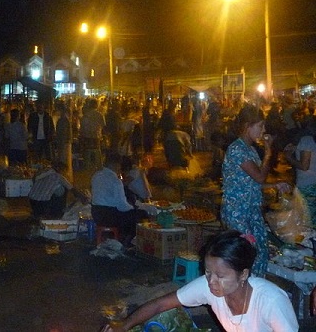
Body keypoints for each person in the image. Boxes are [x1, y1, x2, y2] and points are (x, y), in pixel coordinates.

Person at [103, 230, 298, 332]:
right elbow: (161, 304)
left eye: (220, 276)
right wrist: (124, 325)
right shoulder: (209, 286)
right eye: (207, 272)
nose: (211, 281)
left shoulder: (271, 301)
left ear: (244, 274)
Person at [221, 104, 291, 277]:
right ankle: (241, 297)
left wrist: (274, 185)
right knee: (245, 257)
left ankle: (254, 295)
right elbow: (259, 176)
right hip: (238, 211)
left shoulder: (250, 149)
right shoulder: (237, 149)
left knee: (260, 252)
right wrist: (268, 153)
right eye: (260, 126)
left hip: (251, 210)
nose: (263, 130)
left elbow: (254, 183)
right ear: (247, 126)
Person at [91, 154, 148, 248]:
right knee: (141, 215)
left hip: (96, 214)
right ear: (116, 165)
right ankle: (128, 241)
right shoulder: (115, 180)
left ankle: (119, 238)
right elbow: (122, 206)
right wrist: (133, 208)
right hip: (111, 216)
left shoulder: (96, 176)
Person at [284, 127, 316, 225]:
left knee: (306, 218)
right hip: (312, 183)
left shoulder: (306, 139)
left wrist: (288, 157)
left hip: (307, 185)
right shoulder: (310, 140)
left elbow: (304, 166)